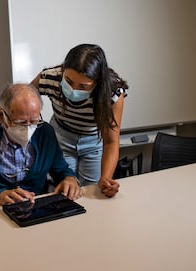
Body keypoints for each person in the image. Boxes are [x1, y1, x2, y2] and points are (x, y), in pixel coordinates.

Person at [0, 83, 83, 216]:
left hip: (35, 211)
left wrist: (69, 178)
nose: (28, 129)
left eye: (34, 121)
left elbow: (61, 169)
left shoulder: (45, 133)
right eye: (21, 123)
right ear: (1, 116)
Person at [31, 43, 129, 197]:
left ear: (98, 82)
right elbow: (24, 100)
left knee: (93, 192)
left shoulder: (112, 91)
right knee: (65, 192)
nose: (74, 90)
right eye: (69, 81)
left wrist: (106, 178)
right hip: (60, 137)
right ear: (63, 69)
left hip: (93, 141)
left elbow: (111, 141)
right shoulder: (50, 77)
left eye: (83, 86)